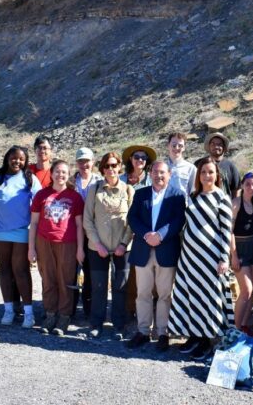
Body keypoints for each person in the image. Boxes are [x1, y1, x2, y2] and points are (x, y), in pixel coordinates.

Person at [169, 157, 235, 360]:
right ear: (199, 175)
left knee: (208, 298)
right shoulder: (194, 196)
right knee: (190, 296)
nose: (207, 176)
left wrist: (224, 258)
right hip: (190, 258)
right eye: (203, 172)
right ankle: (194, 335)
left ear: (217, 175)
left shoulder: (222, 198)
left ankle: (207, 339)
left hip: (210, 259)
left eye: (211, 172)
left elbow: (226, 230)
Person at [127, 160, 186, 352]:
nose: (158, 176)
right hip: (143, 249)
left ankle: (162, 333)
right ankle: (143, 331)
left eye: (162, 173)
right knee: (142, 293)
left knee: (164, 294)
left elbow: (179, 220)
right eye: (155, 172)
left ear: (169, 175)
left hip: (166, 249)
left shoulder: (177, 196)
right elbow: (132, 218)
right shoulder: (140, 193)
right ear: (150, 173)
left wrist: (160, 235)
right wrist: (147, 235)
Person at [0, 145, 41, 329]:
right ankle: (8, 310)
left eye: (21, 159)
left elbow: (39, 206)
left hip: (22, 231)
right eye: (14, 158)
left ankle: (28, 313)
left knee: (21, 270)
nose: (17, 161)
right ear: (7, 158)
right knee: (4, 270)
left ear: (26, 161)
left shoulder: (30, 178)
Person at [28, 160, 85, 336]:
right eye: (58, 172)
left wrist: (80, 249)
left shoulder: (75, 197)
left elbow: (79, 225)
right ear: (51, 173)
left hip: (67, 243)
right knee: (48, 279)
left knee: (66, 280)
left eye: (64, 173)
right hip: (44, 242)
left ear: (68, 176)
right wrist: (31, 248)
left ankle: (64, 317)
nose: (61, 175)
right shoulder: (41, 195)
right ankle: (50, 314)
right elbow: (34, 222)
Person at [83, 151, 134, 339]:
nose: (111, 169)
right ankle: (96, 324)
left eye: (114, 165)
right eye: (107, 166)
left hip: (122, 248)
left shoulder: (128, 190)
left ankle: (118, 326)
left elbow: (132, 222)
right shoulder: (94, 190)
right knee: (98, 287)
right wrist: (97, 244)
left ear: (119, 167)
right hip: (97, 248)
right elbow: (88, 220)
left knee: (121, 287)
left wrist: (123, 243)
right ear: (102, 169)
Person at [229, 172, 253, 336]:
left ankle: (244, 326)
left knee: (252, 290)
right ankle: (235, 329)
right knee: (246, 290)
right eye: (248, 184)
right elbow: (229, 231)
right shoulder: (236, 203)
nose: (251, 187)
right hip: (240, 248)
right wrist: (233, 255)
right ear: (242, 185)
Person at [71, 147, 98, 319]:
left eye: (87, 161)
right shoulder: (71, 182)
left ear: (93, 162)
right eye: (81, 161)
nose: (84, 164)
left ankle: (89, 308)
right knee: (72, 271)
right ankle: (70, 308)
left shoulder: (99, 182)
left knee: (90, 272)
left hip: (93, 232)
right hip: (72, 232)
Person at [201, 132, 239, 198]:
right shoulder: (199, 164)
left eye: (219, 144)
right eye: (213, 144)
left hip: (224, 206)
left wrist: (234, 205)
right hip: (202, 205)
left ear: (224, 147)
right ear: (209, 146)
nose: (216, 147)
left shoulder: (231, 167)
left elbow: (236, 189)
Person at [165, 132, 197, 197]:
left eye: (180, 146)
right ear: (168, 146)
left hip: (183, 206)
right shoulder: (161, 167)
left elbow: (194, 192)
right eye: (174, 145)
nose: (176, 148)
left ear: (184, 148)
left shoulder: (191, 168)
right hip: (162, 205)